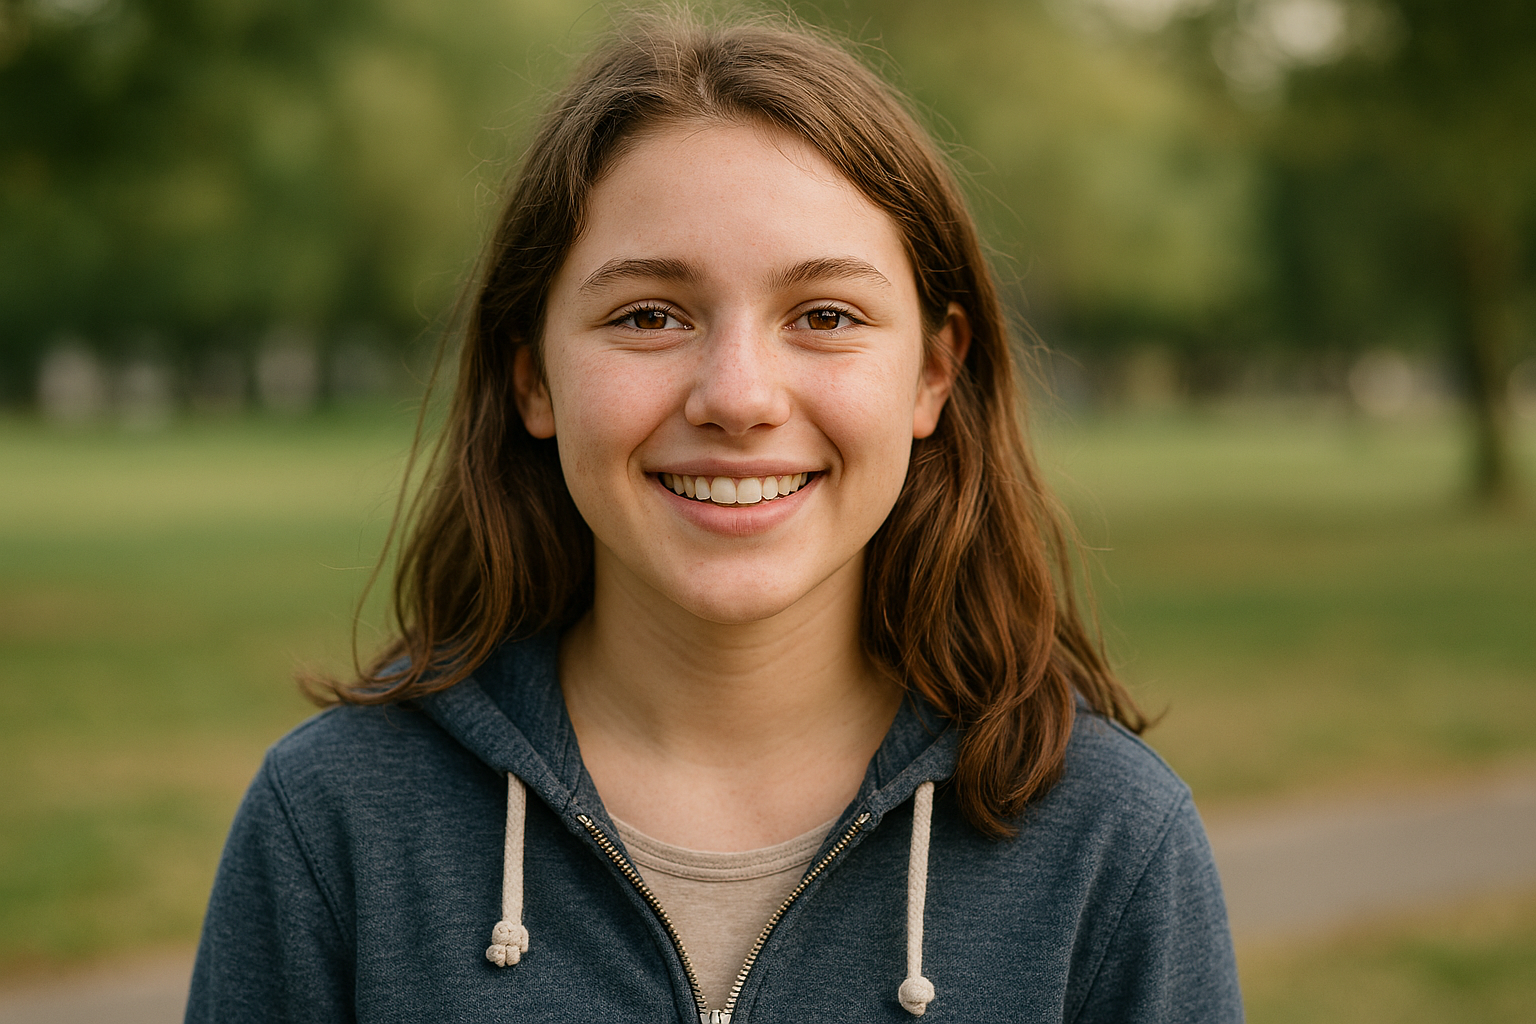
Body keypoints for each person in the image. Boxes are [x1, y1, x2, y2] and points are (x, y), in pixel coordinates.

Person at [187, 12, 1241, 1023]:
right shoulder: (335, 822)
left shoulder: (1111, 842)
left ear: (933, 370)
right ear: (532, 378)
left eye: (824, 315)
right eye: (649, 314)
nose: (738, 396)